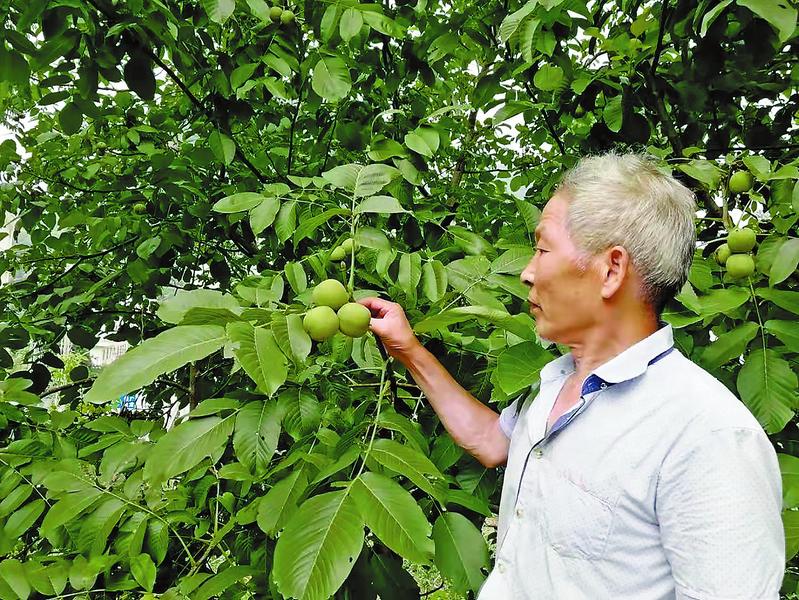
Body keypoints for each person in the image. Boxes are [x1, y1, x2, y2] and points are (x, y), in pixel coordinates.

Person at [359, 152, 785, 599]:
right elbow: (491, 441)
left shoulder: (709, 435)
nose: (527, 272)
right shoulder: (558, 381)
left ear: (611, 270)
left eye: (542, 249)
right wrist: (407, 348)